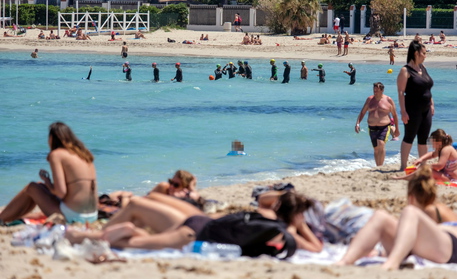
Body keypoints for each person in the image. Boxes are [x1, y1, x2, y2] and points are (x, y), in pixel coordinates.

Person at [65, 191, 322, 255]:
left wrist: (287, 199)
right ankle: (81, 238)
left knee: (136, 207)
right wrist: (299, 224)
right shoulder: (281, 230)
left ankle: (104, 232)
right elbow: (316, 249)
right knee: (135, 243)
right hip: (194, 233)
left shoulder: (267, 214)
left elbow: (265, 197)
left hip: (197, 222)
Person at [337, 165, 457, 270]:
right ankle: (345, 261)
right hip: (436, 246)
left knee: (410, 211)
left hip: (451, 245)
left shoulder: (431, 210)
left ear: (411, 197)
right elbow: (407, 238)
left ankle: (392, 263)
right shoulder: (429, 211)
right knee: (380, 216)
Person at [0, 122, 98, 225]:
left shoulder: (56, 154)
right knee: (40, 186)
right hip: (92, 216)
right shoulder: (84, 154)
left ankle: (2, 218)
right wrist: (47, 182)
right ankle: (6, 217)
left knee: (32, 187)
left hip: (73, 216)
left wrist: (49, 184)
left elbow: (61, 192)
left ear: (51, 138)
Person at [397, 41, 434, 171]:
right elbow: (401, 92)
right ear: (416, 53)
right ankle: (403, 166)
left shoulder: (423, 67)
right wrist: (403, 112)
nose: (425, 56)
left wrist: (432, 104)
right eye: (423, 53)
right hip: (412, 109)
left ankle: (423, 167)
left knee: (424, 138)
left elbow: (427, 87)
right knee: (409, 136)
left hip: (426, 109)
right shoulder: (405, 70)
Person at [355, 82, 400, 166]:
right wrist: (357, 123)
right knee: (376, 149)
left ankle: (381, 166)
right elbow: (362, 112)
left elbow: (394, 115)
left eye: (377, 90)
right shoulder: (369, 100)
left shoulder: (388, 100)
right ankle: (378, 165)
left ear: (382, 90)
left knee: (381, 144)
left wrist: (397, 129)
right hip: (372, 127)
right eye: (374, 90)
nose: (375, 92)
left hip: (384, 127)